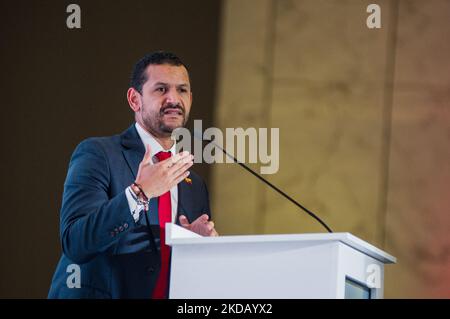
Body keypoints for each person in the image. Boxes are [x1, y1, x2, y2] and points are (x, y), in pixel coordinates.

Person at [48, 51, 218, 299]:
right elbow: (76, 243)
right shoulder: (98, 154)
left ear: (190, 98)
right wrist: (140, 193)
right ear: (134, 100)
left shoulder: (194, 184)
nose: (173, 98)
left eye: (182, 90)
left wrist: (196, 248)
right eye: (161, 89)